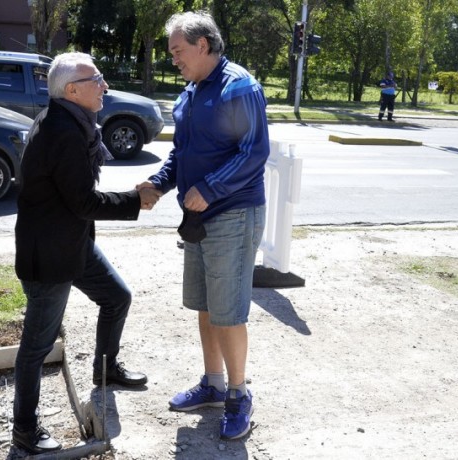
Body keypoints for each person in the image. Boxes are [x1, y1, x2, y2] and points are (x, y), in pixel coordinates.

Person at [11, 51, 162, 454]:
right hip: (50, 257)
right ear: (72, 90)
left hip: (71, 244)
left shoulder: (71, 121)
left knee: (117, 297)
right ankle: (24, 429)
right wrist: (134, 200)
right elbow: (83, 202)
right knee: (36, 348)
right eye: (97, 79)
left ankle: (105, 368)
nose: (105, 86)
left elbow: (75, 204)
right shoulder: (61, 132)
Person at [137, 11, 268, 441]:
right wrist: (158, 183)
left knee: (228, 311)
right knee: (207, 305)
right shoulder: (191, 92)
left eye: (178, 51)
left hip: (232, 212)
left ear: (203, 45)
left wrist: (210, 188)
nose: (173, 59)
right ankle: (213, 384)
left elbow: (253, 153)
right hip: (197, 216)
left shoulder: (239, 87)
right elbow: (182, 152)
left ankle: (238, 395)